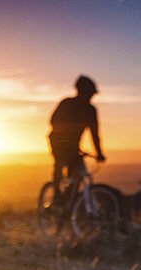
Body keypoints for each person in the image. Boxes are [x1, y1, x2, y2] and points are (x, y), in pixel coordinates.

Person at [49, 75, 105, 204]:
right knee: (60, 163)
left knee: (75, 172)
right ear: (81, 92)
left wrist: (99, 152)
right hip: (58, 142)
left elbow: (95, 134)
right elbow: (53, 122)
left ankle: (69, 201)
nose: (90, 97)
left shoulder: (91, 110)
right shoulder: (66, 104)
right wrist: (68, 132)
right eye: (89, 93)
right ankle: (57, 195)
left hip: (74, 146)